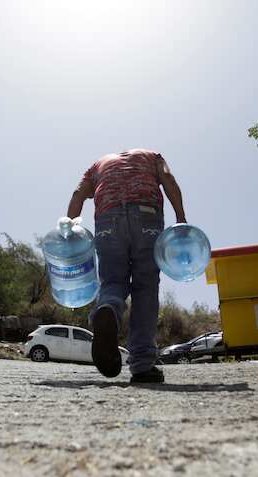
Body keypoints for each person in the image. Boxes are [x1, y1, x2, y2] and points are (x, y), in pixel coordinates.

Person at [67, 148, 186, 383]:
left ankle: (108, 310)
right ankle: (142, 365)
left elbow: (78, 193)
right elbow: (168, 179)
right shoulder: (153, 157)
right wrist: (181, 218)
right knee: (145, 287)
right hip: (147, 217)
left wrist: (69, 232)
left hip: (107, 220)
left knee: (112, 282)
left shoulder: (97, 165)